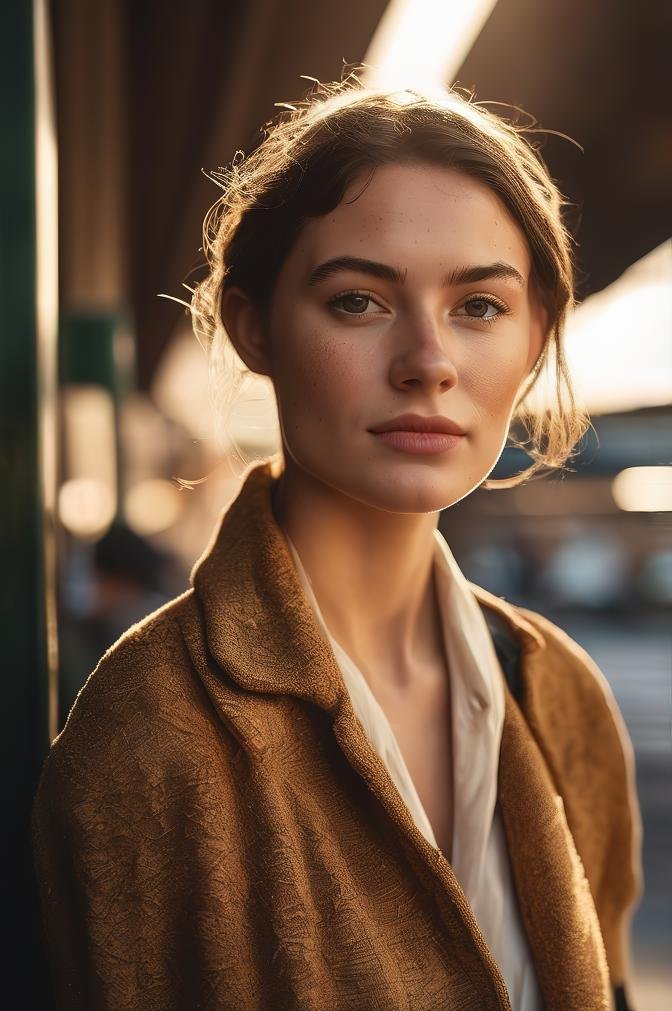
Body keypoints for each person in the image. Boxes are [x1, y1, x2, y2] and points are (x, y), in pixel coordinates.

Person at [32, 74, 642, 1010]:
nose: (429, 363)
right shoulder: (149, 732)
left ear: (533, 341)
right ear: (253, 328)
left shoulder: (557, 687)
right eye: (358, 300)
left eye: (479, 306)